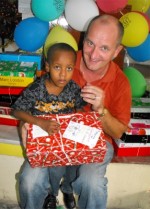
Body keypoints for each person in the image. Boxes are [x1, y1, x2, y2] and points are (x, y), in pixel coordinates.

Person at [19, 14, 132, 209]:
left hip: (96, 140)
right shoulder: (62, 59)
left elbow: (118, 132)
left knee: (92, 184)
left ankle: (68, 189)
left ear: (116, 51)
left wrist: (101, 110)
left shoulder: (121, 83)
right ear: (83, 38)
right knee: (30, 181)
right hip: (53, 134)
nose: (94, 54)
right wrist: (25, 125)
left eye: (104, 48)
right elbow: (33, 101)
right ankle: (50, 196)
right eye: (90, 43)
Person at [11, 42, 86, 209]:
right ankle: (48, 195)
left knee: (66, 164)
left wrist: (79, 115)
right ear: (47, 66)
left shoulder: (73, 88)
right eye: (57, 67)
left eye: (69, 68)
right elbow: (16, 111)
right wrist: (40, 122)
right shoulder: (37, 88)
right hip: (41, 140)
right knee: (28, 181)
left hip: (63, 140)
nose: (63, 75)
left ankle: (58, 191)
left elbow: (79, 106)